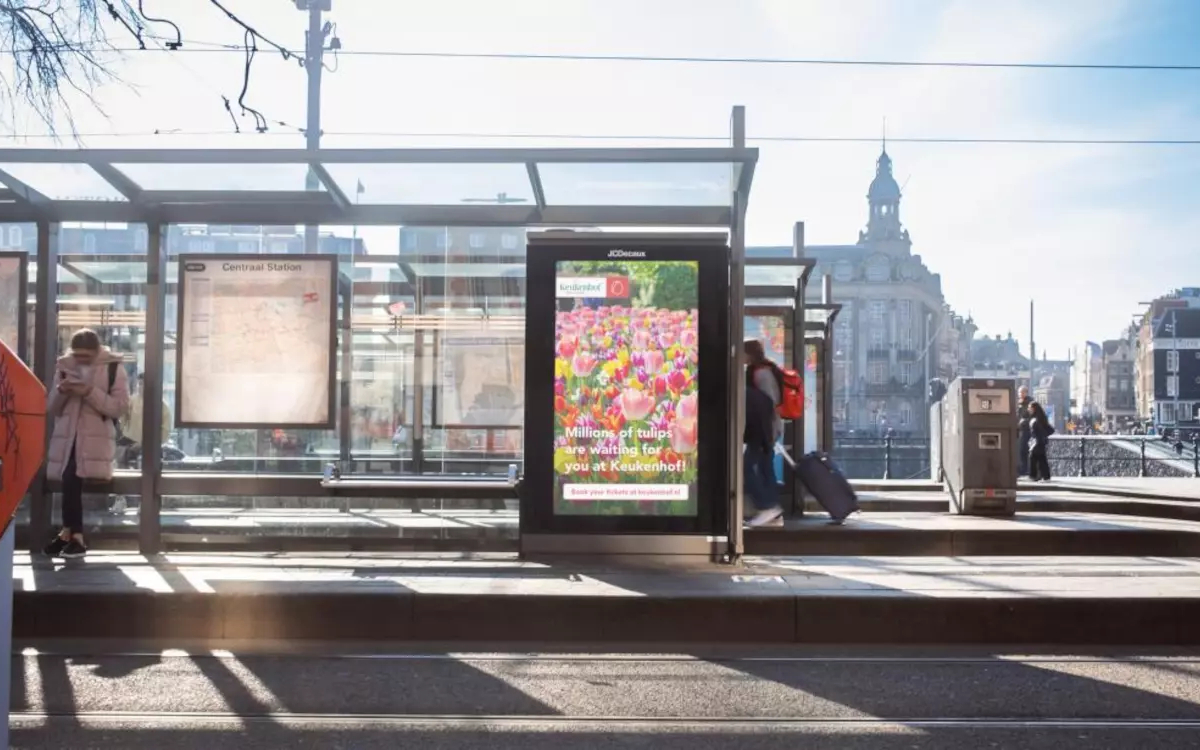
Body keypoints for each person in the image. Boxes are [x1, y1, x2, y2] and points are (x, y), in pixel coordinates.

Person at [43, 329, 130, 559]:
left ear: (96, 351)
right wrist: (63, 390)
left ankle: (75, 536)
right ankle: (68, 535)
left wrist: (89, 391)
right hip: (68, 438)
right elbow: (52, 408)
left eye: (86, 356)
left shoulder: (113, 368)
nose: (80, 360)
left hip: (95, 440)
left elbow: (119, 407)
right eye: (77, 355)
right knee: (67, 478)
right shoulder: (64, 366)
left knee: (71, 477)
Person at [744, 383, 783, 527]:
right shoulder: (761, 395)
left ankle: (766, 506)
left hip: (758, 438)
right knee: (766, 471)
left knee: (746, 469)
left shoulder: (746, 395)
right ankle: (773, 512)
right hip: (766, 436)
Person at [1027, 400, 1054, 481]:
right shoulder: (1039, 418)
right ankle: (1045, 477)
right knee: (1041, 459)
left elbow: (1041, 431)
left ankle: (1034, 476)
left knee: (1033, 458)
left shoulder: (1036, 419)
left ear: (1034, 409)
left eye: (1029, 408)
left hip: (1037, 442)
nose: (1028, 409)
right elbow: (1050, 430)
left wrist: (1040, 437)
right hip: (1040, 442)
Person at [1016, 386, 1032, 476]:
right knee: (1021, 450)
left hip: (1027, 430)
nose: (1020, 394)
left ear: (1026, 393)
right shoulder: (1019, 403)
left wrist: (1023, 421)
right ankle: (1022, 468)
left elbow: (1032, 416)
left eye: (1022, 392)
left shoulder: (1030, 403)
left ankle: (1025, 469)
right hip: (1020, 430)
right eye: (1019, 393)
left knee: (1024, 450)